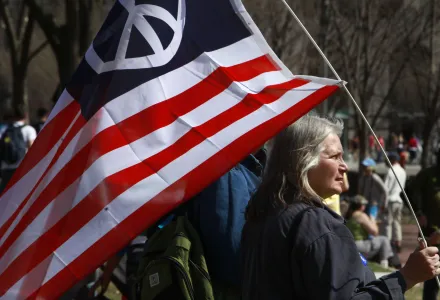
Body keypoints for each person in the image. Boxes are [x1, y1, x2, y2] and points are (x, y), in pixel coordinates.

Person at [241, 115, 440, 300]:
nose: (344, 166)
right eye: (335, 156)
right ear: (303, 160)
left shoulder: (263, 213)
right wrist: (406, 277)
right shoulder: (314, 224)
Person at [409, 148, 440, 300]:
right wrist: (419, 212)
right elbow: (408, 191)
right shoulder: (427, 175)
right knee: (431, 277)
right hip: (430, 233)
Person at [346, 195, 394, 268]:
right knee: (384, 239)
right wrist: (373, 220)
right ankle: (384, 264)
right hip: (360, 245)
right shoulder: (361, 215)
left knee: (376, 242)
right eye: (364, 204)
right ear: (361, 206)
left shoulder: (349, 215)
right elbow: (374, 232)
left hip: (350, 245)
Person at [0, 109, 36, 193]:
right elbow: (32, 148)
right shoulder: (29, 129)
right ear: (25, 116)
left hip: (6, 166)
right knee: (22, 193)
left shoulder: (3, 129)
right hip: (22, 166)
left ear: (14, 117)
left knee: (5, 193)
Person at [383, 152, 407, 252]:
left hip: (391, 200)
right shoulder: (403, 171)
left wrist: (383, 202)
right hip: (399, 200)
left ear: (391, 160)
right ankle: (398, 241)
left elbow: (385, 188)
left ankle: (387, 243)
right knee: (397, 221)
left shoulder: (390, 171)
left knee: (388, 223)